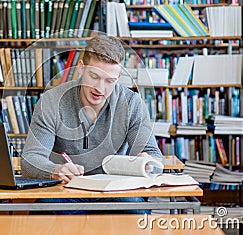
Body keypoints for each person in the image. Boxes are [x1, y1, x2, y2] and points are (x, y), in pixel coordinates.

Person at [21, 34, 163, 214]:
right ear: (81, 68)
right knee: (44, 216)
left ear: (119, 76)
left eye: (109, 80)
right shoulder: (51, 101)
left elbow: (154, 156)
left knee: (138, 215)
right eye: (94, 76)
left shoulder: (132, 103)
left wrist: (147, 163)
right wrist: (55, 170)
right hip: (66, 189)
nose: (100, 88)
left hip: (115, 190)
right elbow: (30, 160)